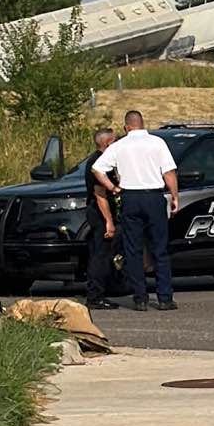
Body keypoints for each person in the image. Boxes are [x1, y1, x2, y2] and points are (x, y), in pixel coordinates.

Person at [93, 109, 179, 311]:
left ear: (126, 127)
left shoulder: (120, 145)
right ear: (143, 123)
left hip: (130, 197)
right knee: (159, 248)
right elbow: (169, 172)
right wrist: (175, 196)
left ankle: (140, 298)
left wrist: (113, 187)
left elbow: (97, 169)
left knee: (133, 249)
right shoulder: (157, 143)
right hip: (153, 196)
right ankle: (165, 297)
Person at [84, 127, 120, 311]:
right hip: (100, 213)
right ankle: (95, 296)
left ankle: (100, 292)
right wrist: (109, 221)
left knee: (103, 254)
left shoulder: (104, 161)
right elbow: (100, 195)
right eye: (115, 141)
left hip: (102, 211)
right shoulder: (98, 163)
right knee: (101, 255)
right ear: (108, 143)